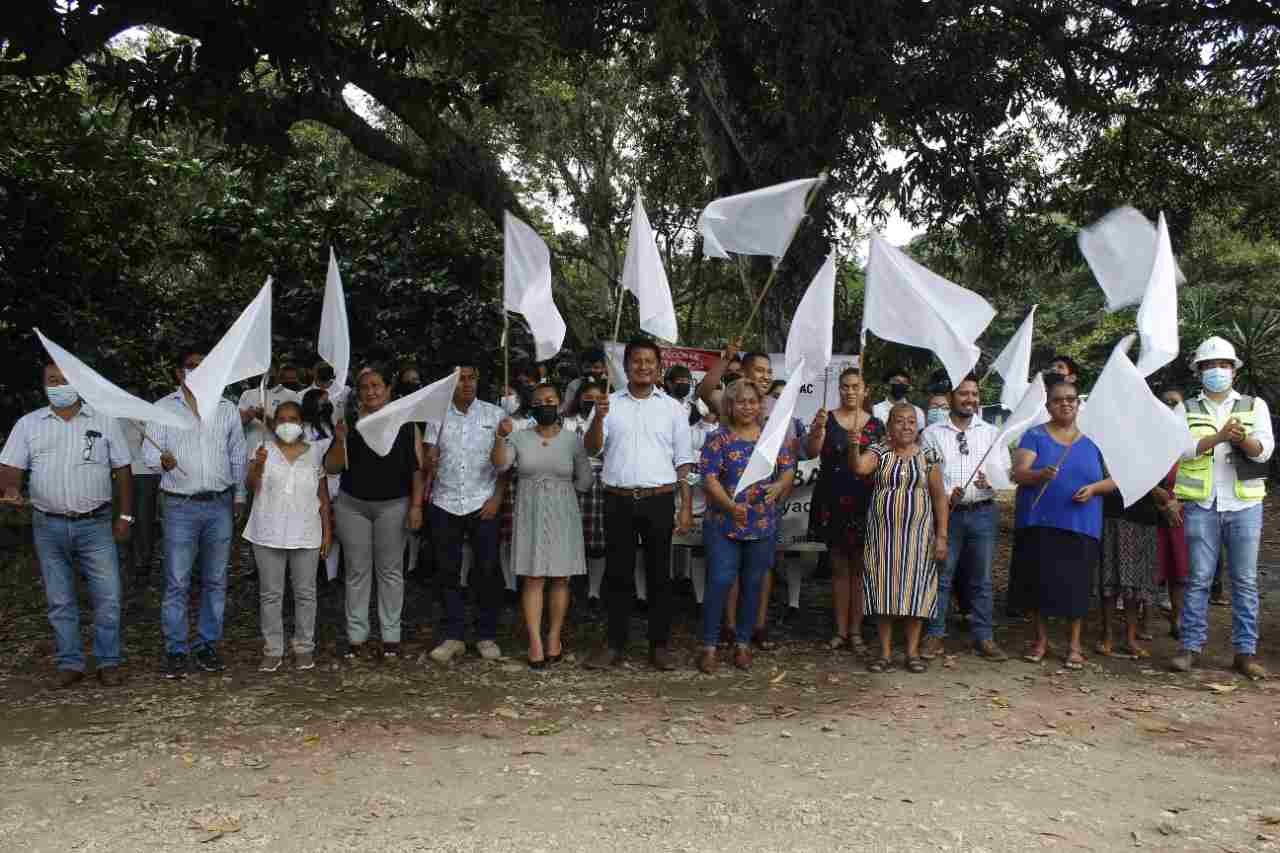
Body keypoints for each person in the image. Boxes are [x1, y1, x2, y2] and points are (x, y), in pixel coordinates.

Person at [0, 362, 133, 686]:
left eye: (65, 380)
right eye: (52, 380)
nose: (59, 385)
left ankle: (108, 661)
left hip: (96, 524)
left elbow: (124, 471)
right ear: (44, 386)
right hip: (48, 525)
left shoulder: (104, 421)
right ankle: (70, 663)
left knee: (109, 597)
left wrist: (125, 516)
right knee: (60, 600)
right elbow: (10, 466)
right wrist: (12, 488)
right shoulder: (29, 424)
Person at [583, 338, 695, 670]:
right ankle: (615, 644)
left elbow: (684, 462)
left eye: (649, 361)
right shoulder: (608, 403)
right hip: (617, 500)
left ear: (658, 368)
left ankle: (659, 646)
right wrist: (599, 419)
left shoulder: (674, 408)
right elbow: (591, 449)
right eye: (636, 361)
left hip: (658, 499)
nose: (643, 366)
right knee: (618, 576)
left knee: (660, 575)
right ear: (626, 366)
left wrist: (685, 505)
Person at [1171, 336, 1273, 679]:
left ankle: (1245, 652)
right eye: (1210, 366)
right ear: (1199, 371)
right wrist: (1218, 438)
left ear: (1234, 370)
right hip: (1202, 503)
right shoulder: (1185, 409)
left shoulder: (1253, 405)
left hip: (1244, 503)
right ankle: (1189, 647)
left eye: (1223, 365)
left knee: (1244, 580)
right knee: (1198, 578)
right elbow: (1180, 451)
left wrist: (1241, 437)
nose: (1217, 370)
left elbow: (1264, 452)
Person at [145, 348, 248, 678]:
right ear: (180, 373)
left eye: (204, 367)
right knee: (177, 580)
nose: (197, 371)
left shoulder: (227, 409)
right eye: (191, 367)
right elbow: (148, 452)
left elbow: (237, 456)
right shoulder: (163, 409)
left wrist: (240, 496)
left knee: (215, 580)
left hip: (219, 503)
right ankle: (175, 650)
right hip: (179, 507)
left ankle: (207, 645)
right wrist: (160, 460)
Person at [1009, 375, 1114, 670]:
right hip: (1040, 521)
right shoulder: (1035, 436)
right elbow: (1019, 473)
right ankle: (1040, 641)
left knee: (1076, 587)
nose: (1065, 404)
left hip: (1081, 523)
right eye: (1058, 400)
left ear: (1079, 404)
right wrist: (1039, 474)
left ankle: (1074, 645)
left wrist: (1094, 489)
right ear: (1049, 405)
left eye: (1071, 399)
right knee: (1039, 585)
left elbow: (1116, 478)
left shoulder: (1095, 439)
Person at [323, 366, 424, 660]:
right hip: (352, 505)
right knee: (356, 571)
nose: (371, 391)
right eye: (365, 387)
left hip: (393, 505)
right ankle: (357, 637)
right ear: (359, 393)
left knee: (390, 571)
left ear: (388, 389)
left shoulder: (406, 424)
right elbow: (331, 467)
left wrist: (416, 506)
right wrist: (341, 440)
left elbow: (417, 471)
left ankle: (391, 636)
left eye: (377, 385)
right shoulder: (349, 423)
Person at [696, 379, 797, 673]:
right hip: (723, 522)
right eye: (740, 401)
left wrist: (780, 485)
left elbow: (788, 468)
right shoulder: (718, 439)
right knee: (720, 582)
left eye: (753, 401)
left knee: (753, 585)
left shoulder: (772, 437)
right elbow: (709, 478)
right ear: (729, 405)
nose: (747, 407)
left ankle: (742, 644)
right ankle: (710, 646)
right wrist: (729, 506)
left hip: (762, 524)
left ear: (760, 405)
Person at [492, 384, 592, 668]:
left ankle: (554, 637)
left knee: (561, 578)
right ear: (531, 406)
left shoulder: (573, 440)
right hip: (530, 511)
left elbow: (585, 481)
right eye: (539, 401)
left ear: (560, 404)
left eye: (551, 400)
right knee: (534, 578)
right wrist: (500, 437)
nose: (545, 404)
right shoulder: (518, 437)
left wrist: (560, 488)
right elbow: (500, 465)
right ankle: (535, 641)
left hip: (563, 511)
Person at [853, 402, 949, 673]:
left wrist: (941, 536)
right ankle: (883, 653)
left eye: (911, 421)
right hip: (883, 537)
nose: (905, 426)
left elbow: (939, 498)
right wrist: (853, 446)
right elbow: (860, 468)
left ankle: (912, 653)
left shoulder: (928, 455)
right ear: (889, 425)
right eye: (899, 421)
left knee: (916, 592)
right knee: (884, 592)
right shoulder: (879, 451)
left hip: (919, 538)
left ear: (917, 426)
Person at [921, 374, 1010, 661]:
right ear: (950, 398)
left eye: (974, 393)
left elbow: (1005, 473)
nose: (970, 399)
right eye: (963, 394)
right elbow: (926, 474)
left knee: (981, 579)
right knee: (942, 576)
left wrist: (991, 482)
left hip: (983, 512)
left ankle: (984, 636)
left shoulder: (990, 432)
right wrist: (947, 495)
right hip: (949, 515)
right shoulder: (933, 433)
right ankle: (935, 634)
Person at [424, 365, 507, 663]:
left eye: (472, 378)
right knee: (447, 570)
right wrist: (429, 461)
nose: (467, 384)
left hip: (482, 501)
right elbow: (427, 461)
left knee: (486, 569)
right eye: (460, 380)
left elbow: (504, 464)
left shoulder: (495, 415)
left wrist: (497, 498)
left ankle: (486, 634)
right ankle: (454, 634)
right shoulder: (438, 415)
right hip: (445, 501)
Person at [243, 401, 332, 672]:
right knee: (271, 594)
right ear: (274, 423)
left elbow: (323, 496)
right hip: (268, 531)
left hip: (306, 531)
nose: (287, 423)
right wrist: (257, 466)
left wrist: (328, 532)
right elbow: (251, 487)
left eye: (292, 418)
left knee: (306, 593)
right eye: (281, 419)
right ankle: (273, 650)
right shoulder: (262, 450)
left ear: (302, 422)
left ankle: (304, 647)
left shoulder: (315, 452)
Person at [806, 367, 885, 654]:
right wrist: (818, 431)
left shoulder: (876, 425)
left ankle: (856, 631)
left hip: (864, 502)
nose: (850, 391)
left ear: (865, 390)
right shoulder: (828, 418)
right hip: (833, 501)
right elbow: (812, 451)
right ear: (839, 389)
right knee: (839, 570)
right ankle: (839, 630)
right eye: (845, 386)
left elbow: (874, 464)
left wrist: (856, 448)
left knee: (860, 571)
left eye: (856, 386)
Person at [563, 379, 609, 610]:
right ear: (578, 398)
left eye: (596, 398)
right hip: (569, 478)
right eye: (587, 397)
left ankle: (594, 590)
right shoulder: (566, 421)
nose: (591, 402)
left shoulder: (608, 419)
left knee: (596, 539)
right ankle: (567, 584)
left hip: (600, 478)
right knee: (568, 536)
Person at [1155, 387, 1189, 640]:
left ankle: (1178, 618)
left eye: (1175, 403)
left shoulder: (1191, 438)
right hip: (1153, 510)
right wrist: (1162, 503)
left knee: (1180, 569)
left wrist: (1177, 504)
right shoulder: (1150, 437)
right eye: (1165, 403)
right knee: (1151, 569)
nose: (1171, 407)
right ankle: (1143, 624)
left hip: (1183, 511)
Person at [301, 388, 342, 583]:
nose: (326, 405)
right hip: (312, 485)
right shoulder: (302, 429)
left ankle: (332, 575)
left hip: (335, 484)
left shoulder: (330, 426)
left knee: (333, 529)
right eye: (322, 401)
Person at [872, 367, 925, 432]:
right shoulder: (875, 410)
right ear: (886, 385)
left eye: (905, 382)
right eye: (897, 381)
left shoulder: (917, 411)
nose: (901, 384)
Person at [560, 348, 610, 415]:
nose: (592, 370)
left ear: (603, 368)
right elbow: (566, 409)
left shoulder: (609, 386)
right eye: (587, 367)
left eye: (596, 367)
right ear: (582, 367)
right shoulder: (574, 385)